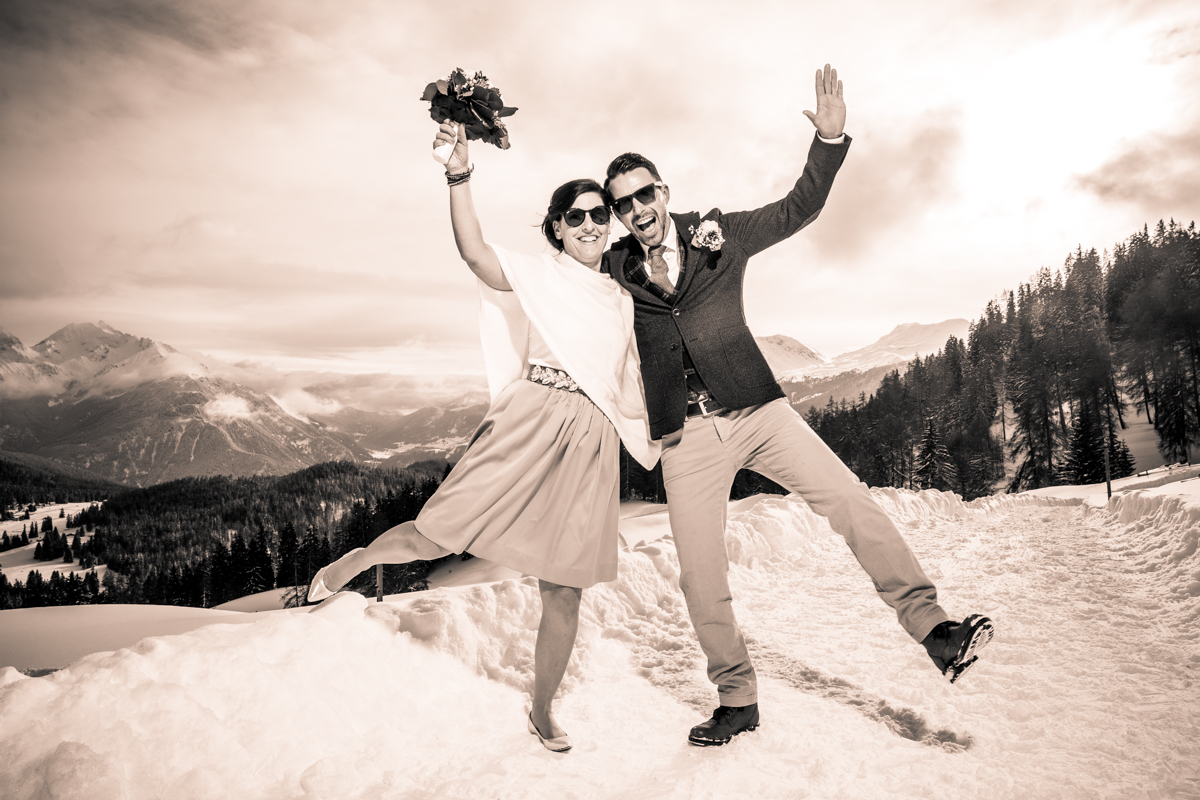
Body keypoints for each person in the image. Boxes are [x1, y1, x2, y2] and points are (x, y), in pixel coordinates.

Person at [601, 64, 994, 747]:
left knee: (851, 501)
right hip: (685, 437)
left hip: (759, 411)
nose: (635, 209)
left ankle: (934, 630)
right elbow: (553, 276)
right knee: (701, 577)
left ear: (664, 192)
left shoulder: (714, 234)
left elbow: (797, 208)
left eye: (643, 193)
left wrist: (830, 144)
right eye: (621, 203)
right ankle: (737, 698)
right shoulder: (612, 268)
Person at [308, 120, 659, 754]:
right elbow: (473, 251)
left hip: (591, 442)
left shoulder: (622, 295)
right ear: (556, 226)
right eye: (575, 216)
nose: (590, 224)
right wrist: (458, 175)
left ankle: (543, 709)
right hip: (531, 418)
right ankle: (347, 566)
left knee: (565, 586)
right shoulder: (538, 273)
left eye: (599, 214)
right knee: (433, 534)